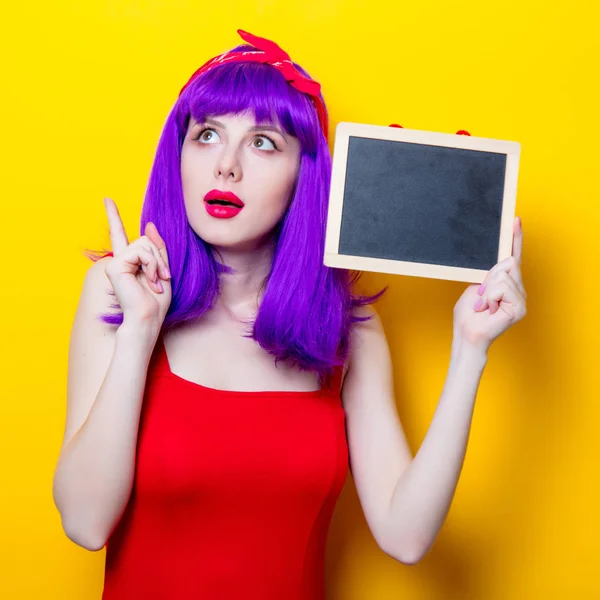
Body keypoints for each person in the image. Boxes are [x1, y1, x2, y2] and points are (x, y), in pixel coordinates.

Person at [52, 30, 527, 599]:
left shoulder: (348, 329)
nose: (225, 166)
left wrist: (471, 349)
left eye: (263, 143)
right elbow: (84, 523)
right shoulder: (115, 293)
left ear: (306, 175)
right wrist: (139, 333)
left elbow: (405, 535)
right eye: (206, 135)